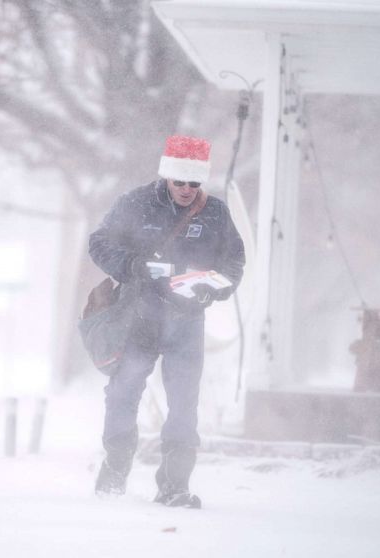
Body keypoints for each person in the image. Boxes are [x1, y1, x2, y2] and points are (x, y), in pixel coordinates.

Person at [88, 135, 246, 508]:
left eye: (195, 183)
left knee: (184, 404)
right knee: (124, 392)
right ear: (167, 177)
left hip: (187, 322)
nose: (188, 190)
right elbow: (99, 242)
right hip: (138, 317)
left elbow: (234, 261)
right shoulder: (136, 203)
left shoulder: (216, 213)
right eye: (180, 182)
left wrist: (215, 289)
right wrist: (131, 266)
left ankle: (174, 486)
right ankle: (116, 465)